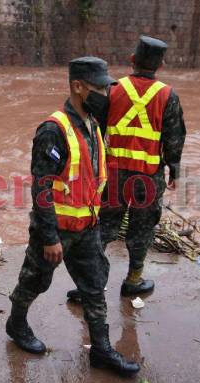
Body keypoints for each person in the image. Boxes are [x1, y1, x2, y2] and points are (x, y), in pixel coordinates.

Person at [7, 57, 140, 376]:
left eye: (107, 88)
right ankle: (17, 322)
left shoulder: (94, 124)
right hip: (56, 230)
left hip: (88, 227)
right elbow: (41, 189)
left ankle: (102, 350)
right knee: (35, 280)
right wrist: (50, 237)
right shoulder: (54, 130)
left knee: (94, 286)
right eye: (100, 89)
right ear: (78, 87)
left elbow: (92, 178)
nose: (106, 95)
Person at [68, 36, 186, 301]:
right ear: (162, 65)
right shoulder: (168, 95)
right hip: (148, 175)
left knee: (105, 226)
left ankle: (89, 283)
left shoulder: (112, 89)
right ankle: (133, 280)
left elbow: (93, 125)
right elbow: (174, 137)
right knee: (142, 229)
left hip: (114, 173)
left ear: (132, 60)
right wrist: (175, 170)